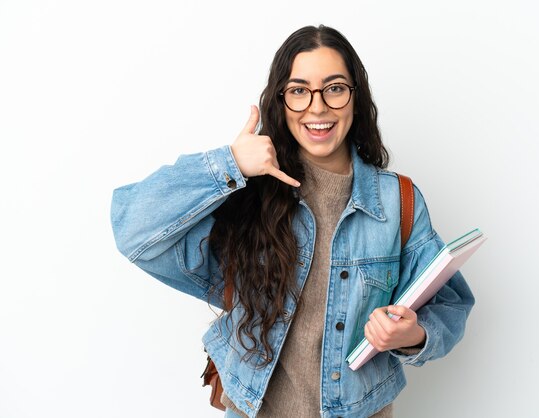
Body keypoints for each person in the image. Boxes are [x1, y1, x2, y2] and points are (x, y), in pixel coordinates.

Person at [111, 25, 474, 418]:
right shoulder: (248, 193)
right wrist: (229, 163)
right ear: (281, 102)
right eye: (299, 91)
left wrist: (413, 335)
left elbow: (450, 304)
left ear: (355, 97)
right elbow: (132, 226)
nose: (317, 108)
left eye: (334, 88)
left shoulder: (396, 201)